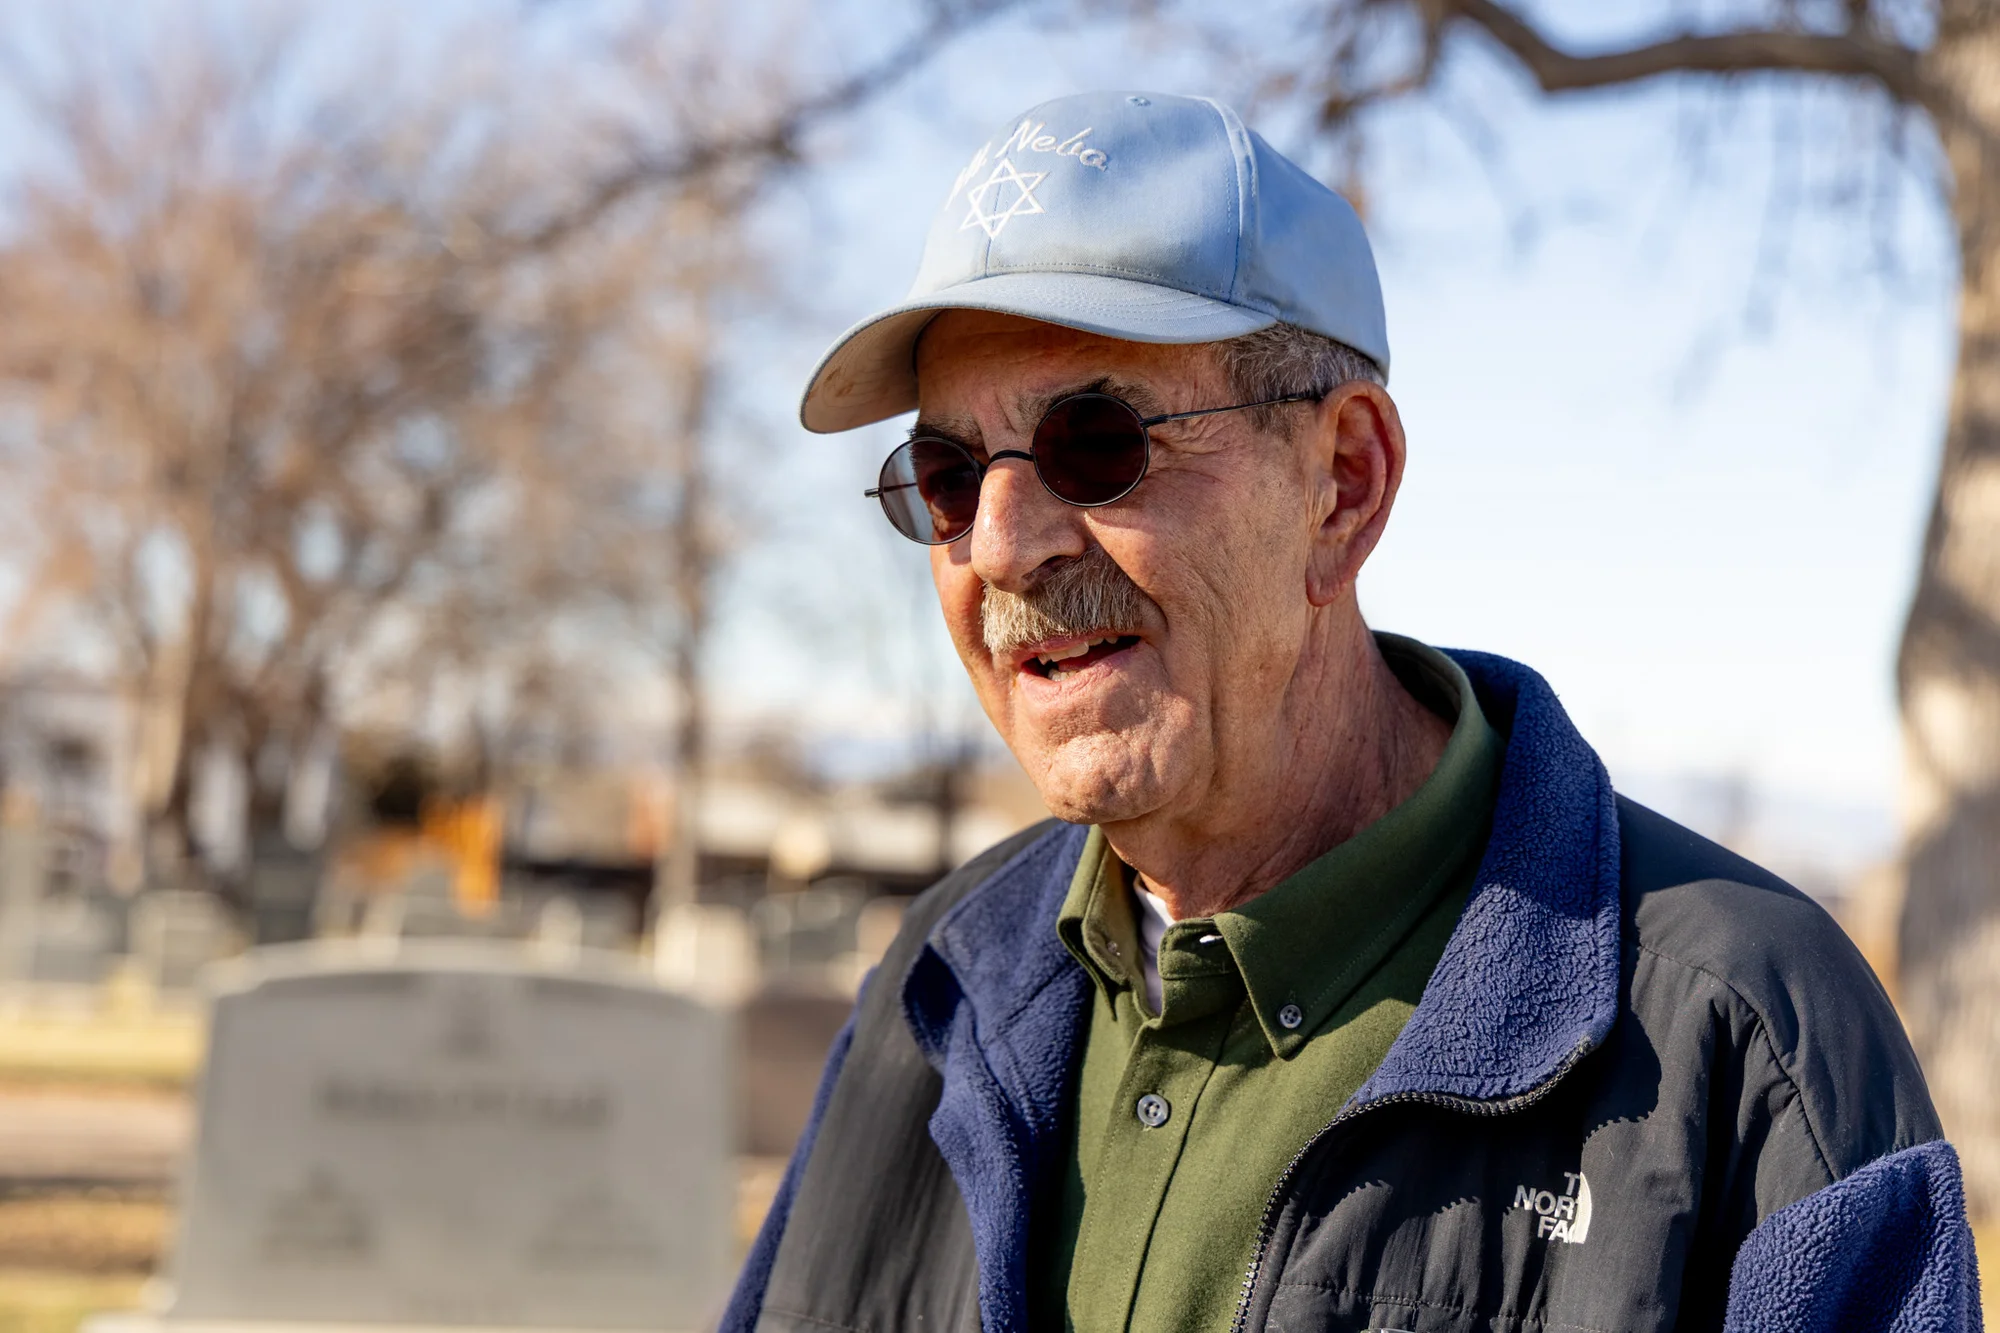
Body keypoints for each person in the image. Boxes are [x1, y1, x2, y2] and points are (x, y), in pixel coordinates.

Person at [722, 91, 1978, 1333]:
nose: (997, 546)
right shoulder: (937, 984)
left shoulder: (1745, 1036)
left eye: (1094, 444)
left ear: (1342, 482)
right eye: (944, 476)